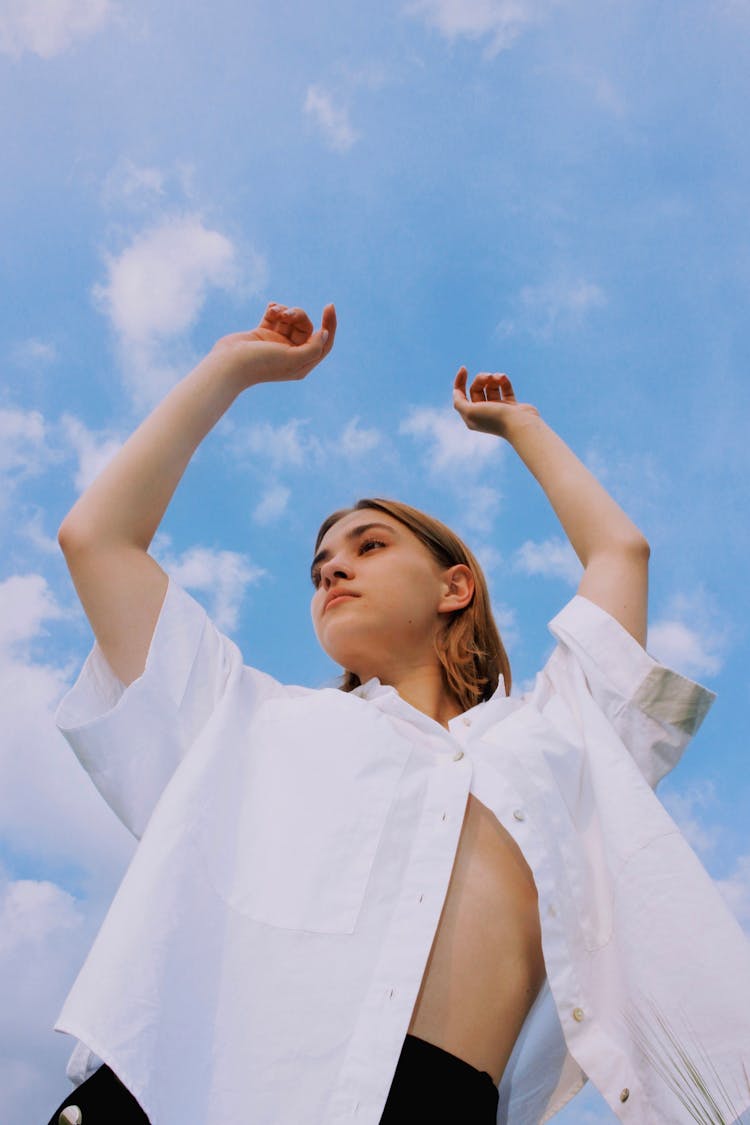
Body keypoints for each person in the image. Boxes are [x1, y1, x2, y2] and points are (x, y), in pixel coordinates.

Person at [48, 303, 750, 1125]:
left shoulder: (559, 734)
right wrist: (231, 366)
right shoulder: (250, 717)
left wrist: (519, 424)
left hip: (440, 1099)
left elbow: (619, 553)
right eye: (320, 569)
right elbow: (98, 539)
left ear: (456, 586)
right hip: (202, 1087)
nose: (334, 570)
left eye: (370, 546)